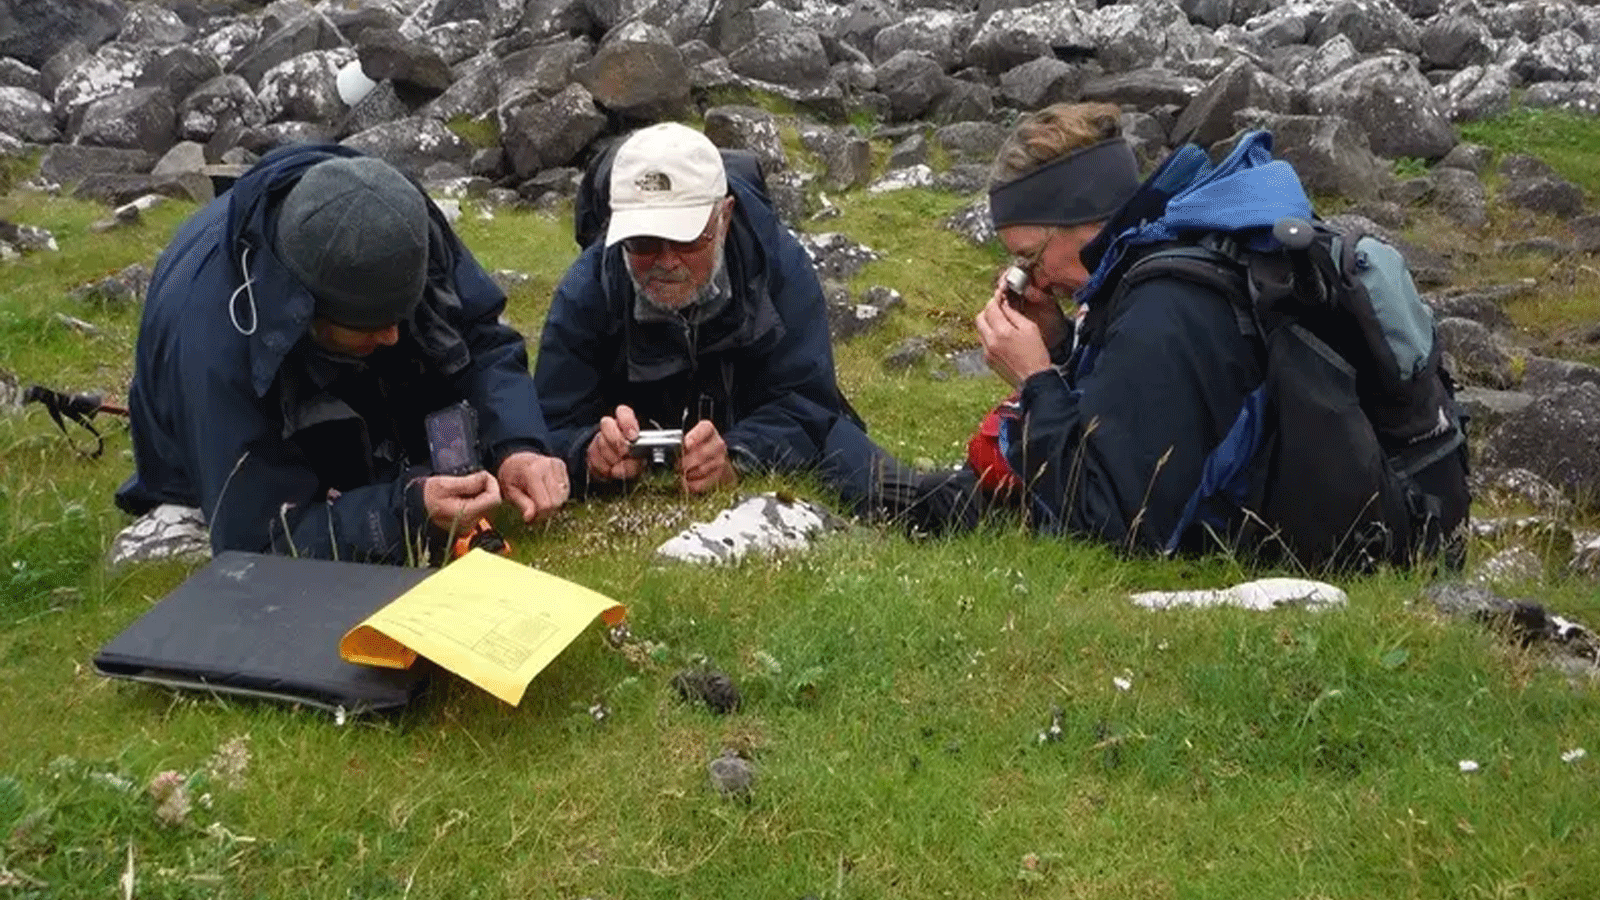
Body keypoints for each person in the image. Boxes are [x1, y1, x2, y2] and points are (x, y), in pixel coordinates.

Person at [951, 101, 1468, 563]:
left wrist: (1035, 380)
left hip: (1381, 551)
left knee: (938, 499)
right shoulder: (1165, 249)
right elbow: (1128, 424)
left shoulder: (1166, 306)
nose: (1032, 279)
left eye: (1028, 258)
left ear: (1081, 221)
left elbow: (1115, 525)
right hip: (1401, 504)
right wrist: (1062, 344)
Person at [115, 146, 569, 564]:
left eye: (401, 316)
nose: (393, 336)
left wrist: (517, 445)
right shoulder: (217, 349)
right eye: (372, 326)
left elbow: (480, 338)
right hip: (200, 456)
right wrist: (406, 513)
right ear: (306, 313)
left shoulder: (399, 223)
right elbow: (261, 542)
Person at [535, 121, 901, 510]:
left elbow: (807, 399)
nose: (667, 261)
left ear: (724, 216)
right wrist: (588, 452)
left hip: (744, 433)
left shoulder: (776, 264)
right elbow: (549, 422)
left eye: (687, 238)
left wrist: (738, 455)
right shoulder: (588, 287)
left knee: (867, 473)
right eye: (642, 242)